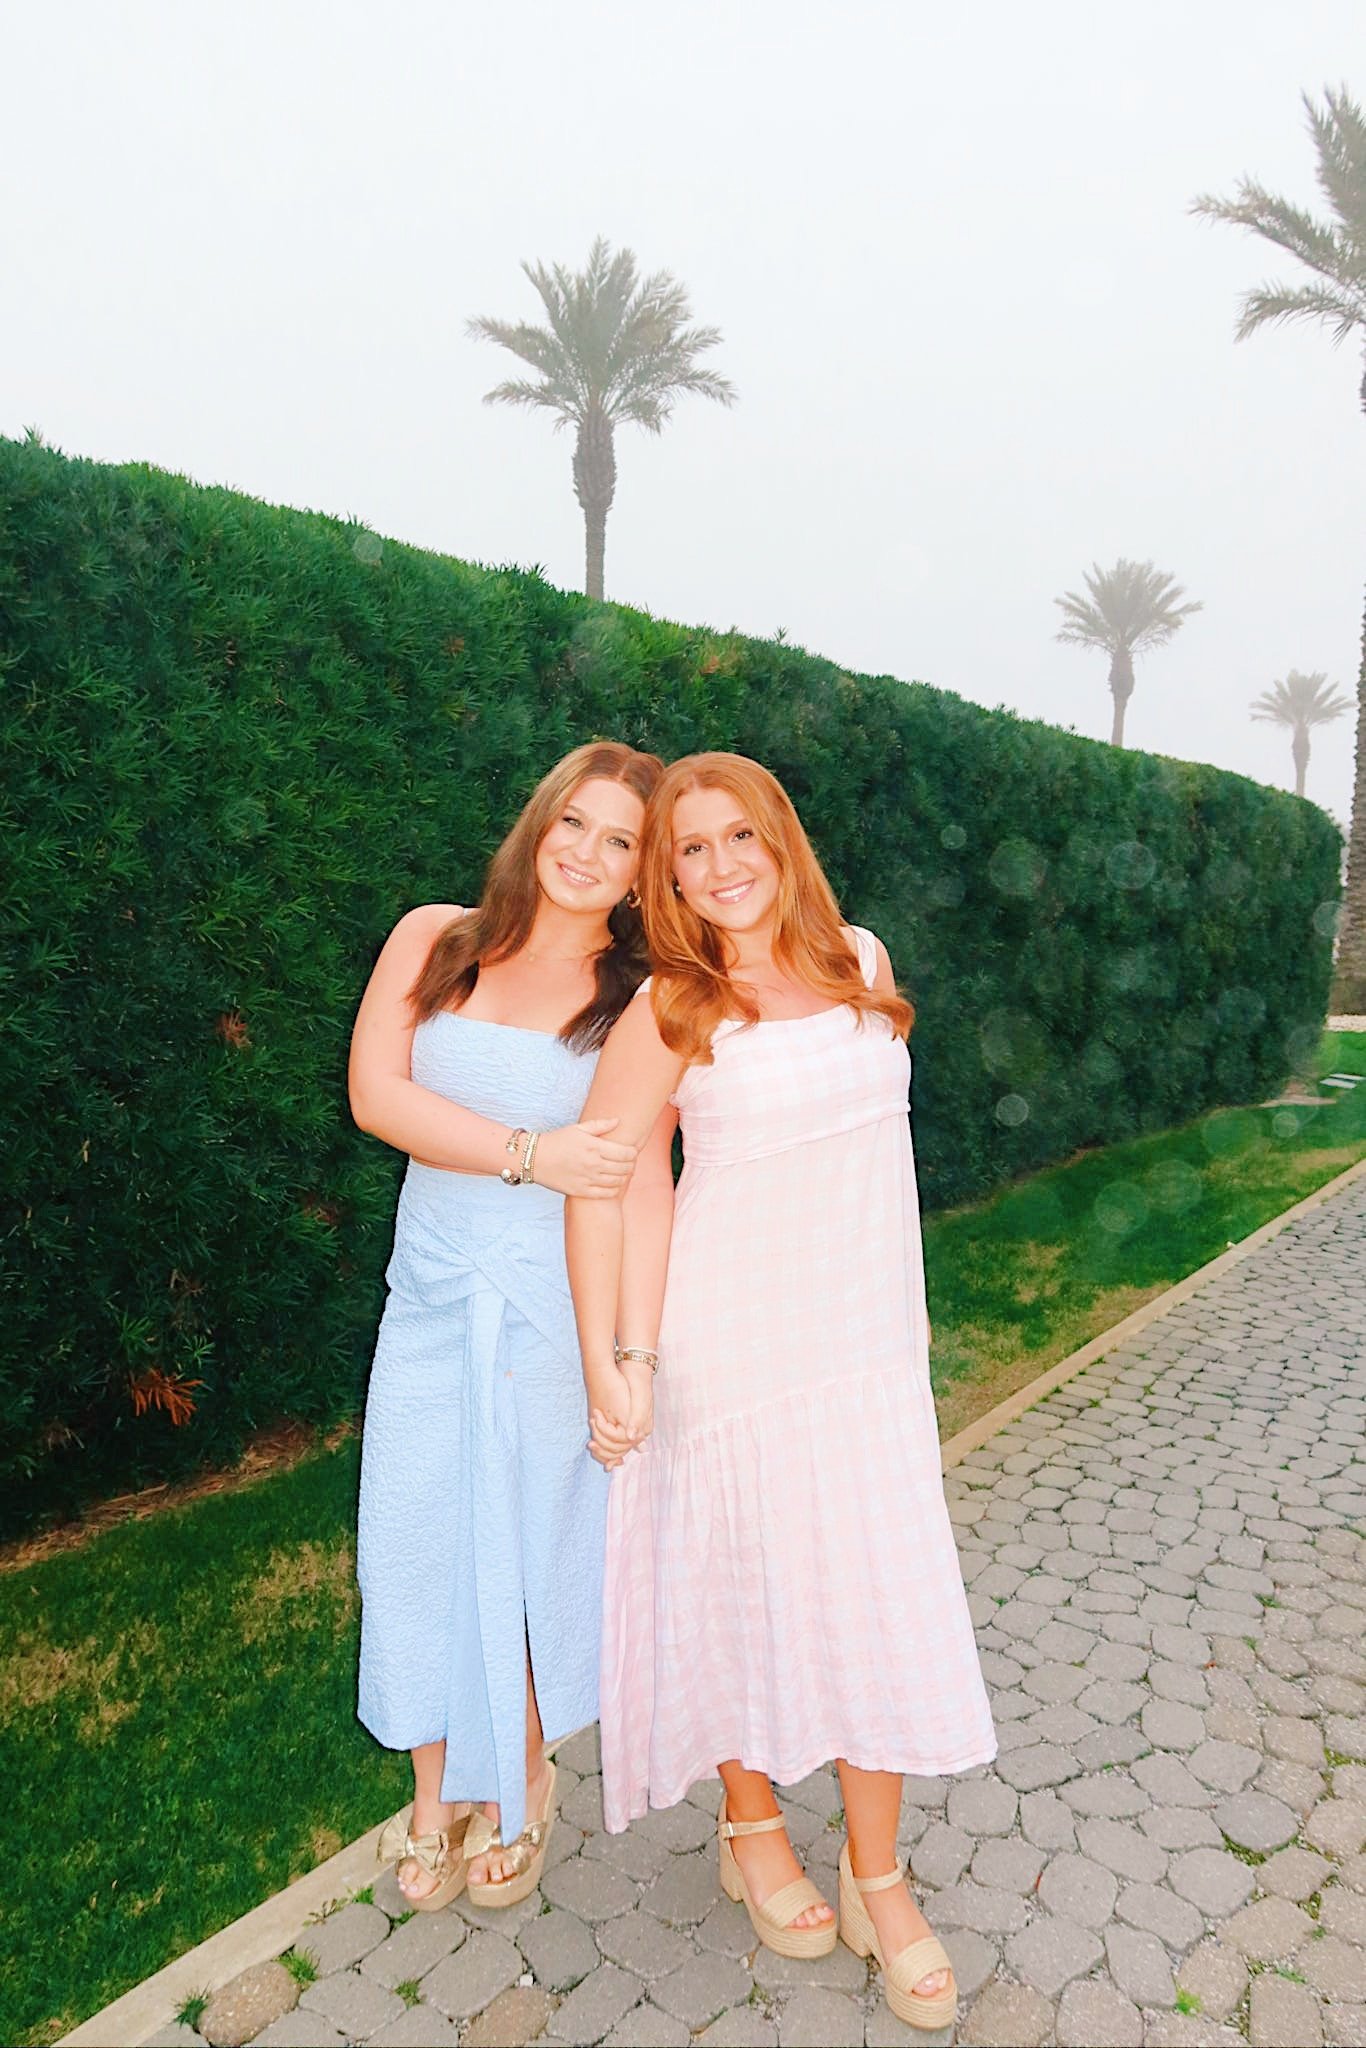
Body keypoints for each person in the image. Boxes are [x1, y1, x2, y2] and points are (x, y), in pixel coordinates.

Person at [565, 752, 995, 2032]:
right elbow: (612, 1184)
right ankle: (751, 1826)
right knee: (739, 1582)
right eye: (689, 849)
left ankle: (877, 1875)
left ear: (781, 839)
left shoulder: (859, 958)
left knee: (875, 1593)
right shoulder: (671, 1005)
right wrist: (618, 1358)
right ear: (665, 876)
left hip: (865, 1351)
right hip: (730, 1346)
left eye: (739, 836)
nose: (720, 867)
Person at [349, 739, 662, 1912]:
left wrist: (628, 1354)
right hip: (431, 1291)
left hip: (550, 1303)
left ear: (640, 873)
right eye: (573, 820)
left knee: (524, 1543)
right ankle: (434, 1789)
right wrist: (534, 1152)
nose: (585, 851)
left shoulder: (639, 998)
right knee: (415, 1533)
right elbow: (378, 1096)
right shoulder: (437, 938)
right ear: (540, 820)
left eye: (619, 840)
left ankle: (522, 1773)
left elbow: (640, 1180)